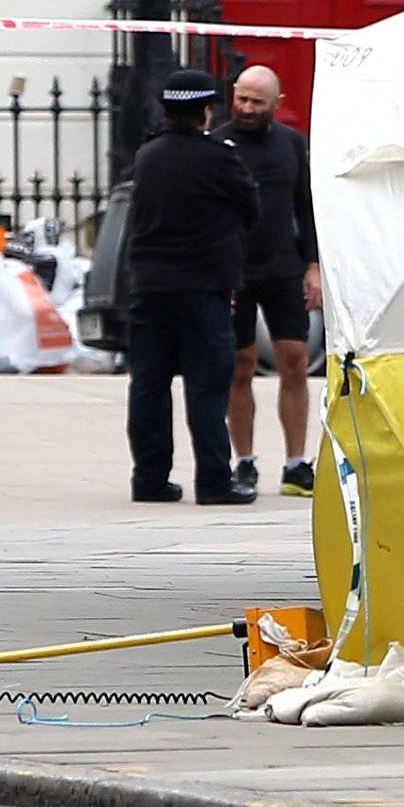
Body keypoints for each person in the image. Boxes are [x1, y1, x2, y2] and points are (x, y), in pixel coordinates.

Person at [124, 65, 259, 506]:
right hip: (203, 287)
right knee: (206, 385)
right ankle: (214, 481)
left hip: (149, 286)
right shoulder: (219, 156)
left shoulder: (148, 156)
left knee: (149, 383)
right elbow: (251, 207)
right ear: (205, 111)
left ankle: (149, 478)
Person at [212, 65, 322, 497]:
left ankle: (296, 464)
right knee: (238, 366)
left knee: (294, 359)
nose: (247, 108)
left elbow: (308, 208)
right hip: (236, 270)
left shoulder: (291, 144)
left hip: (283, 268)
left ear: (276, 104)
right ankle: (244, 460)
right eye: (242, 98)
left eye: (257, 101)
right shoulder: (218, 144)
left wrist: (314, 266)